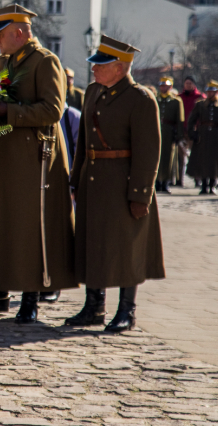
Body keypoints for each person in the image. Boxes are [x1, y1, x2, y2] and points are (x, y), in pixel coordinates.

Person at [0, 4, 78, 322]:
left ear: (19, 32)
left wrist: (8, 113)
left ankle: (30, 298)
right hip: (1, 154)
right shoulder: (2, 62)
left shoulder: (45, 62)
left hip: (33, 158)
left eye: (0, 35)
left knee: (30, 227)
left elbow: (53, 110)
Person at [66, 35, 165, 333]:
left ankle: (127, 310)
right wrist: (75, 178)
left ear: (120, 68)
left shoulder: (141, 99)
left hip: (123, 183)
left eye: (101, 65)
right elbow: (83, 141)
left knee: (126, 247)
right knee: (93, 243)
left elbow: (149, 152)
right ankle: (94, 306)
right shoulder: (93, 92)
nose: (94, 69)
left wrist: (140, 194)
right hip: (94, 181)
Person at [186, 81, 218, 195]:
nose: (209, 93)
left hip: (217, 136)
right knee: (203, 161)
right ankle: (204, 185)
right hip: (203, 135)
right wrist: (193, 134)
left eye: (212, 91)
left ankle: (212, 185)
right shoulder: (200, 104)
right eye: (208, 91)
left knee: (215, 162)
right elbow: (191, 120)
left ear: (217, 92)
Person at [155, 77, 184, 193]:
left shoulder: (176, 101)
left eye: (166, 86)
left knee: (168, 158)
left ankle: (166, 182)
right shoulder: (155, 99)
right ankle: (157, 182)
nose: (163, 88)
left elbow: (179, 120)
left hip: (169, 132)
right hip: (156, 131)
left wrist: (179, 136)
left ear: (170, 87)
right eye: (162, 86)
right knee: (157, 157)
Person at [177, 76, 204, 186]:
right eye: (186, 83)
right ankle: (179, 179)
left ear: (194, 84)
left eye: (190, 83)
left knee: (196, 155)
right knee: (180, 156)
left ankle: (197, 178)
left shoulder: (200, 97)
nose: (188, 85)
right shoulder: (179, 97)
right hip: (182, 130)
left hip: (194, 130)